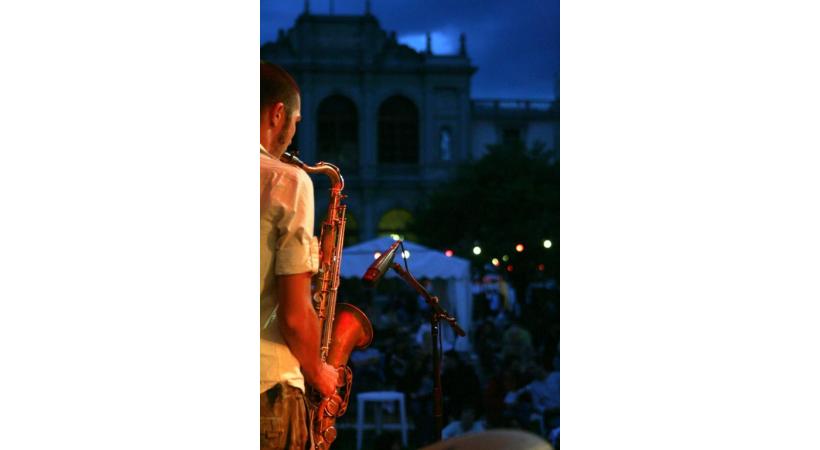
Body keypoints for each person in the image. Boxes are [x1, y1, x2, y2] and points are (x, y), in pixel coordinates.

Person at [260, 62, 340, 450]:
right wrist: (319, 371)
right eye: (295, 122)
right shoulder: (285, 180)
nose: (293, 136)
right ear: (277, 114)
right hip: (267, 389)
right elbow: (294, 315)